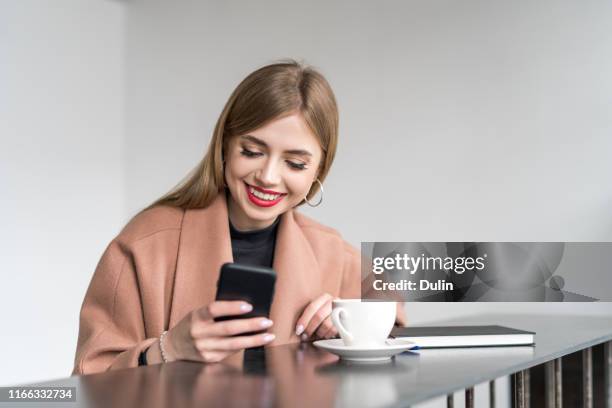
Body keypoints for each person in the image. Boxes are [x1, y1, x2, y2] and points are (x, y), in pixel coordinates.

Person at [72, 60, 406, 375]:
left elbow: (391, 296)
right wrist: (168, 347)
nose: (269, 177)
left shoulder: (327, 248)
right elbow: (88, 380)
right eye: (252, 152)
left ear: (319, 170)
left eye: (295, 163)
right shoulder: (146, 243)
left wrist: (343, 315)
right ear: (225, 145)